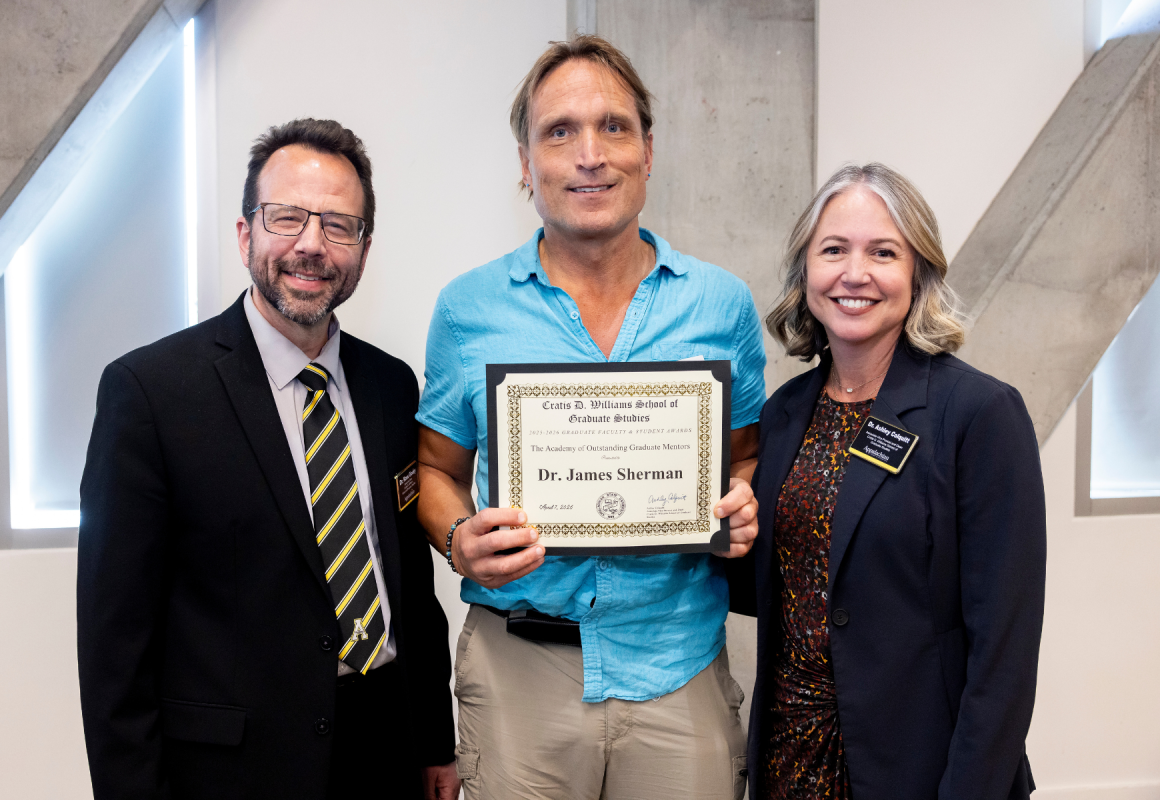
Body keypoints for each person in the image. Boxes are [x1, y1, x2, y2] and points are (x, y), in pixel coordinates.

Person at [416, 35, 765, 800]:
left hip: (677, 663)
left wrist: (743, 501)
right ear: (524, 161)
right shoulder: (469, 309)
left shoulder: (721, 304)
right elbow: (435, 471)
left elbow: (745, 454)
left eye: (614, 127)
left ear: (649, 150)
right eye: (560, 131)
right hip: (519, 674)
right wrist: (457, 539)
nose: (590, 155)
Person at [77, 118, 459, 800]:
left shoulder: (391, 386)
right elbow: (114, 643)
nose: (311, 245)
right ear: (245, 232)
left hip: (385, 751)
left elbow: (412, 590)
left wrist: (435, 742)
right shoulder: (150, 393)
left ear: (364, 249)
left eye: (340, 225)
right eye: (287, 217)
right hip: (232, 771)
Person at [743, 162, 1046, 799]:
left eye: (883, 252)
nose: (855, 274)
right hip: (788, 761)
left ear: (919, 273)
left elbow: (1005, 652)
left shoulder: (979, 415)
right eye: (834, 250)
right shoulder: (783, 413)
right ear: (806, 272)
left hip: (919, 769)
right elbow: (773, 585)